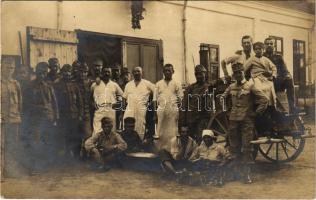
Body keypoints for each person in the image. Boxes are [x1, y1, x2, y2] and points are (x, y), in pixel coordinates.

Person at [220, 62, 268, 184]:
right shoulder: (231, 87)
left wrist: (256, 113)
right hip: (233, 121)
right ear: (234, 74)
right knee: (233, 147)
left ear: (243, 73)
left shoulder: (250, 86)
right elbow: (222, 97)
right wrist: (226, 110)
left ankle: (246, 174)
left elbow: (264, 100)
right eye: (235, 73)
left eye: (239, 72)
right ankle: (235, 173)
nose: (237, 75)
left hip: (247, 122)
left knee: (247, 148)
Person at [27, 62, 59, 171]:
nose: (42, 75)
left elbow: (54, 103)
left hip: (49, 119)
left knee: (48, 141)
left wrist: (56, 118)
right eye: (40, 72)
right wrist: (38, 108)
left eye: (45, 73)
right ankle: (35, 166)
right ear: (36, 72)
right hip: (36, 120)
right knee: (36, 142)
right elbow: (26, 104)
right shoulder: (30, 85)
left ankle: (46, 164)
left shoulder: (49, 85)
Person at [54, 64, 84, 158]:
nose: (67, 74)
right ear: (62, 73)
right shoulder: (57, 86)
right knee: (65, 136)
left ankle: (76, 156)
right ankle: (66, 156)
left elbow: (80, 102)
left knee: (75, 136)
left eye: (69, 72)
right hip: (63, 117)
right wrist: (57, 116)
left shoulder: (75, 86)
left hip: (74, 116)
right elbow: (56, 103)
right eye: (65, 72)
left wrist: (80, 115)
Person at [1, 56, 23, 177]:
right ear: (1, 66)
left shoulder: (16, 83)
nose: (10, 69)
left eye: (12, 67)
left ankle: (10, 171)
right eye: (7, 66)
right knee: (1, 146)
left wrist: (17, 115)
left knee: (12, 145)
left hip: (14, 118)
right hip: (2, 120)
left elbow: (20, 102)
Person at [153, 64, 183, 151]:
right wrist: (155, 112)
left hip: (173, 110)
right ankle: (161, 151)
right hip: (161, 111)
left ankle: (172, 151)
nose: (167, 72)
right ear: (163, 72)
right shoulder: (158, 84)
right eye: (165, 70)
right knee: (160, 131)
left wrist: (180, 108)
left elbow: (180, 97)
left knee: (172, 131)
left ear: (173, 72)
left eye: (169, 70)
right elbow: (154, 99)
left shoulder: (177, 83)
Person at [263, 37, 296, 113]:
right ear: (264, 46)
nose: (269, 45)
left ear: (274, 46)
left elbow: (285, 70)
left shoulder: (278, 57)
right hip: (266, 81)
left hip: (277, 82)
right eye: (267, 44)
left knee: (289, 80)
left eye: (271, 44)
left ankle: (292, 106)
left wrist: (287, 76)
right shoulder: (262, 57)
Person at [179, 65, 209, 144]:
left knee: (200, 139)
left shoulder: (208, 87)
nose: (199, 76)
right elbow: (184, 105)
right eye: (197, 74)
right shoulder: (191, 88)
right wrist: (183, 122)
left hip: (202, 118)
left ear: (205, 74)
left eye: (201, 74)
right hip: (191, 118)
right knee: (190, 140)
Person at [123, 66, 155, 140]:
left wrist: (151, 103)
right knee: (128, 126)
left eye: (138, 71)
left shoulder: (147, 83)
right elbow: (124, 98)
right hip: (129, 109)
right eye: (135, 71)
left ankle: (139, 144)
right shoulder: (128, 85)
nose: (137, 73)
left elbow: (156, 91)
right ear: (132, 73)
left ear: (142, 73)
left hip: (141, 109)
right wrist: (123, 110)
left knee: (140, 126)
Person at [91, 66, 123, 135]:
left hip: (110, 109)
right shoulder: (95, 84)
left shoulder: (114, 85)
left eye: (109, 72)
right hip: (99, 109)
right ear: (101, 73)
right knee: (97, 129)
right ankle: (97, 145)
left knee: (111, 129)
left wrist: (118, 102)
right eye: (105, 72)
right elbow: (90, 97)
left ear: (111, 73)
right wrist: (93, 103)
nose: (107, 73)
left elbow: (122, 95)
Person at [244, 42, 277, 107]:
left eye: (260, 49)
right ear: (254, 50)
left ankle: (270, 106)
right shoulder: (251, 59)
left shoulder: (266, 59)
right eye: (256, 49)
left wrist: (273, 75)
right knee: (259, 88)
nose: (258, 50)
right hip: (256, 77)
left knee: (270, 87)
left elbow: (274, 67)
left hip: (266, 78)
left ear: (263, 49)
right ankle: (259, 104)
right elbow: (244, 68)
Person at [73, 61, 94, 140]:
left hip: (87, 113)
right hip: (76, 113)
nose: (83, 74)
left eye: (85, 72)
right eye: (81, 72)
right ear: (77, 72)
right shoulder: (73, 83)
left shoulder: (90, 83)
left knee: (88, 135)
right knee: (76, 136)